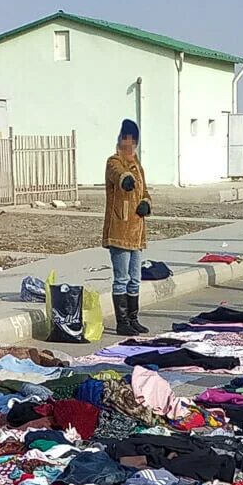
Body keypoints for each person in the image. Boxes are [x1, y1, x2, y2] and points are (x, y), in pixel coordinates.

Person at [103, 119, 152, 335]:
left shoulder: (139, 166)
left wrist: (146, 203)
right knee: (121, 278)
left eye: (133, 140)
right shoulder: (114, 162)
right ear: (120, 140)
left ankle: (133, 318)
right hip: (121, 229)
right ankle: (122, 322)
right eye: (126, 139)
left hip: (137, 231)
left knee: (135, 278)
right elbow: (118, 175)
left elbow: (146, 192)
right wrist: (125, 179)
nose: (129, 144)